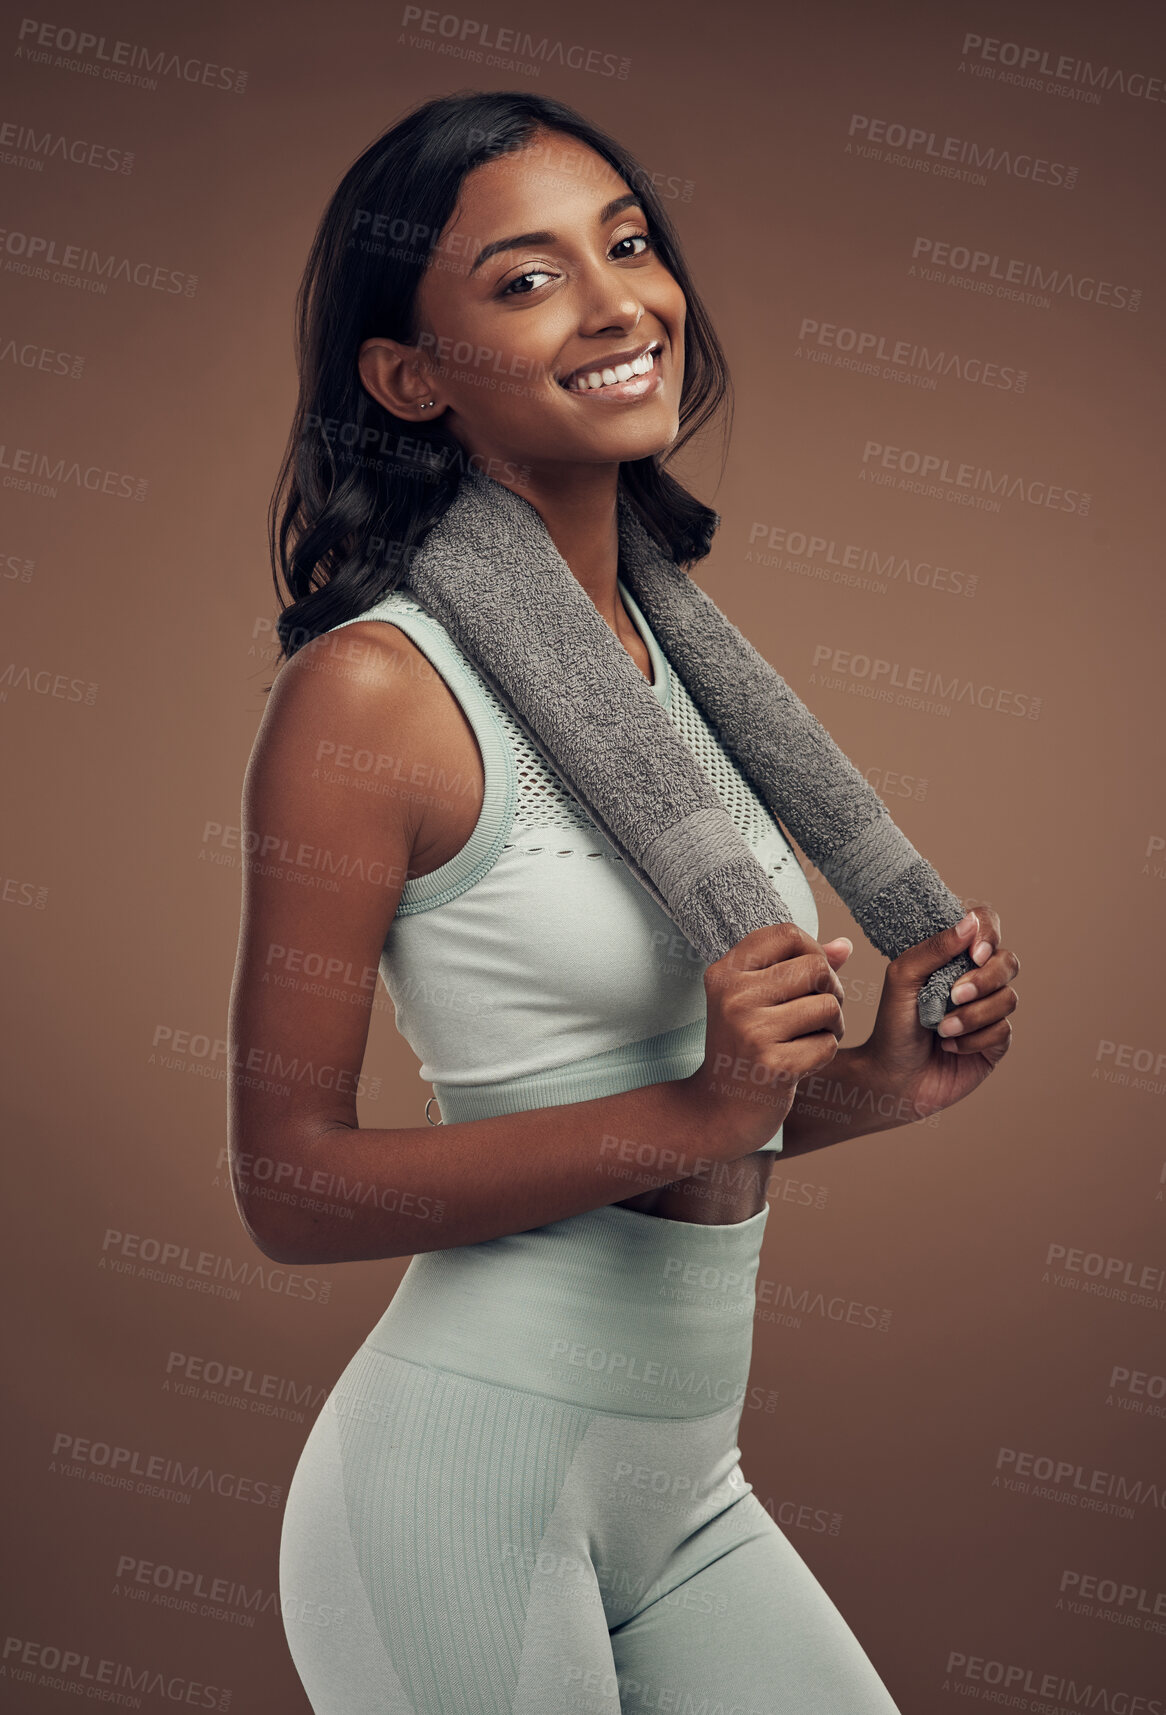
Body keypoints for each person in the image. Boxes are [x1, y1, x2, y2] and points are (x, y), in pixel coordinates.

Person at [227, 90, 1018, 1715]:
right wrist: (709, 1105)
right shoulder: (374, 696)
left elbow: (683, 1112)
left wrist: (864, 1089)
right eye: (523, 281)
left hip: (679, 1488)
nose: (615, 307)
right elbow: (286, 1190)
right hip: (465, 1491)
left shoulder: (668, 680)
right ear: (407, 375)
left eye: (628, 245)